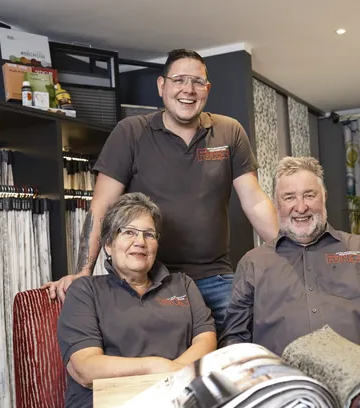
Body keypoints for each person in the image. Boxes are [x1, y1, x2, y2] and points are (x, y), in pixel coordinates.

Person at [45, 49, 278, 331]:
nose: (188, 90)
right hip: (151, 278)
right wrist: (83, 271)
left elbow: (254, 201)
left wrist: (290, 251)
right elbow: (102, 206)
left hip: (215, 277)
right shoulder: (130, 132)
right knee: (162, 350)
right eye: (178, 80)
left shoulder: (230, 132)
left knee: (255, 334)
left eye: (197, 82)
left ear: (207, 88)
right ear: (161, 86)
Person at [219, 156, 360, 358]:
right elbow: (234, 337)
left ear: (324, 196)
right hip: (284, 383)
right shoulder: (253, 263)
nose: (300, 207)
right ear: (276, 203)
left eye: (309, 195)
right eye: (289, 197)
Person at [57, 192, 216, 408]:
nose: (140, 242)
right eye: (129, 232)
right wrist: (155, 367)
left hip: (177, 406)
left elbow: (206, 340)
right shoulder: (85, 291)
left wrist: (173, 378)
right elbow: (86, 368)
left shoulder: (183, 284)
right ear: (109, 245)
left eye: (149, 235)